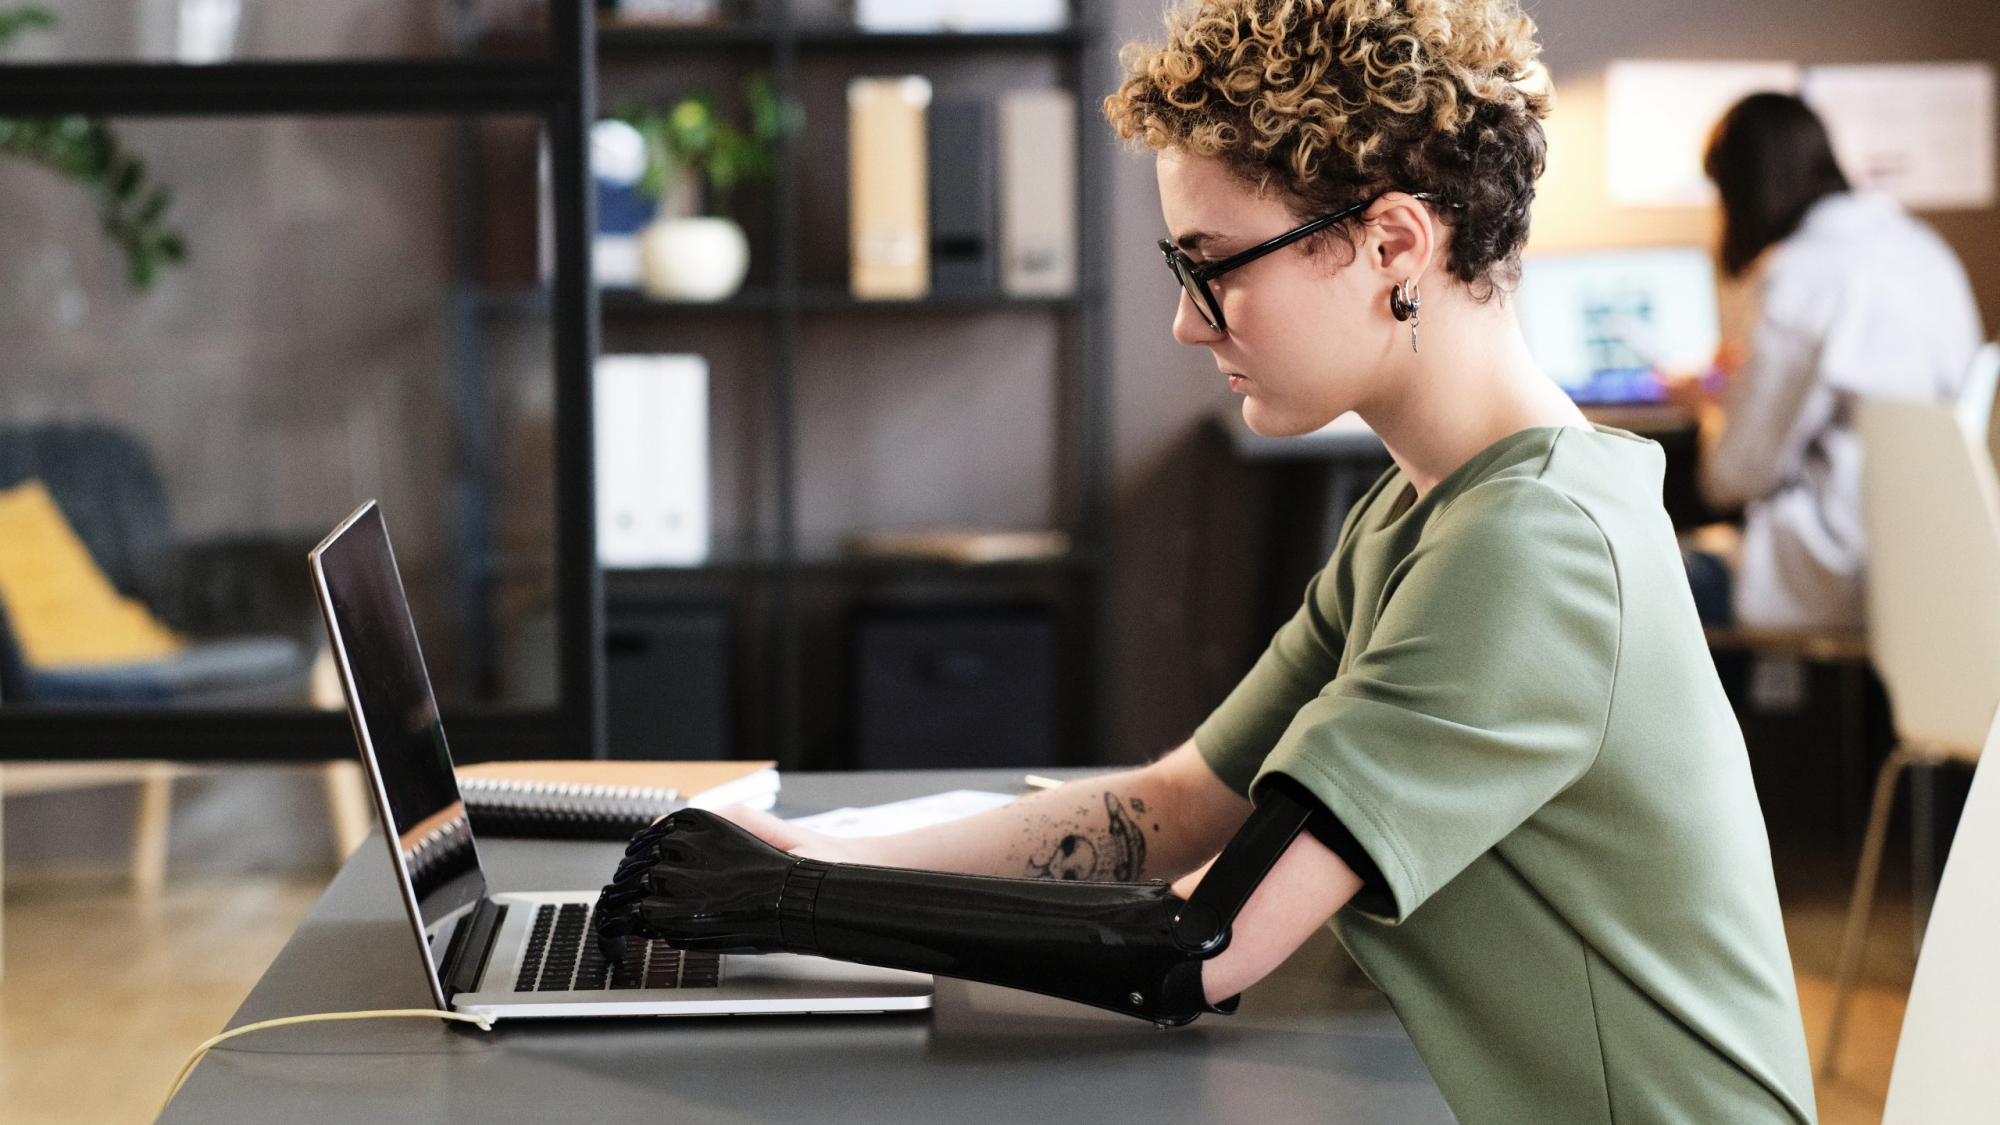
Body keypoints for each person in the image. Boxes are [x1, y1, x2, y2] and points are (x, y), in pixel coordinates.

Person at [600, 2, 1817, 1122]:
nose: (1188, 320)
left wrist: (779, 906)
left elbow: (1199, 946)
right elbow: (1176, 806)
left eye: (1212, 261)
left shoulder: (1532, 546)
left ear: (1390, 242)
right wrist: (806, 852)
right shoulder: (1421, 513)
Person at [1671, 93, 1985, 630]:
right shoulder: (1917, 247)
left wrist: (1708, 405)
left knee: (1634, 574)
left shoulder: (1803, 275)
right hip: (1944, 551)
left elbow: (1731, 477)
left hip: (1842, 562)